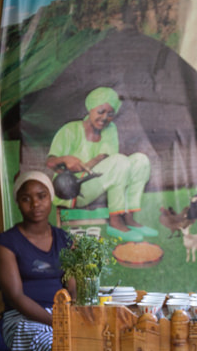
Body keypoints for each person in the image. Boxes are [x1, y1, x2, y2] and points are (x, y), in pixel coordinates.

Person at [0, 170, 75, 351]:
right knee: (52, 344)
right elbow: (16, 297)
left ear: (51, 199)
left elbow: (73, 287)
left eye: (41, 196)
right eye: (26, 198)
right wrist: (57, 322)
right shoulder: (7, 243)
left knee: (84, 342)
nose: (35, 203)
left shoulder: (65, 240)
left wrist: (68, 317)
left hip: (61, 315)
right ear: (18, 202)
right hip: (21, 318)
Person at [45, 86, 157, 242]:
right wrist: (65, 159)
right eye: (100, 112)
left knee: (140, 160)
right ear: (90, 109)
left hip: (96, 184)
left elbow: (107, 159)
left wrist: (90, 162)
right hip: (73, 191)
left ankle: (129, 218)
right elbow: (50, 162)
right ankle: (115, 222)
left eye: (110, 114)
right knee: (119, 161)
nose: (105, 118)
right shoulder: (70, 130)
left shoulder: (110, 129)